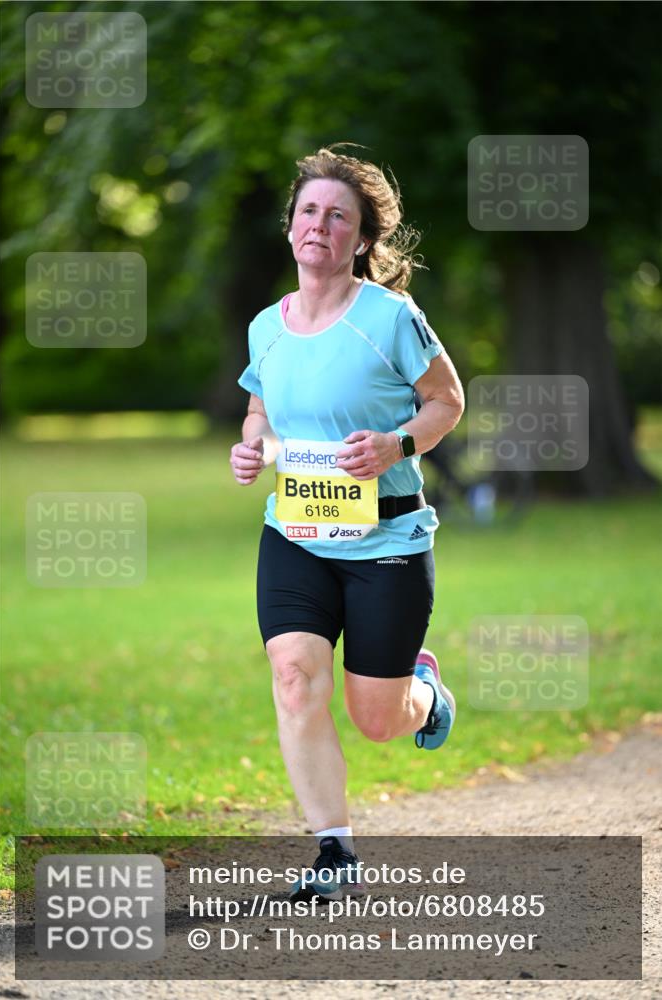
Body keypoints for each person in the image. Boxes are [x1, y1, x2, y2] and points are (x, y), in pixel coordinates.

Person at [230, 146, 464, 902]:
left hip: (387, 541)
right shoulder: (267, 326)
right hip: (295, 534)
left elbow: (446, 403)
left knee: (377, 719)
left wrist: (397, 443)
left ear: (360, 238)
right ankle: (334, 851)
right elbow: (261, 407)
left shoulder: (389, 318)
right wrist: (251, 446)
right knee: (295, 679)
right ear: (290, 225)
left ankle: (425, 692)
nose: (318, 226)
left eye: (338, 216)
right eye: (308, 211)